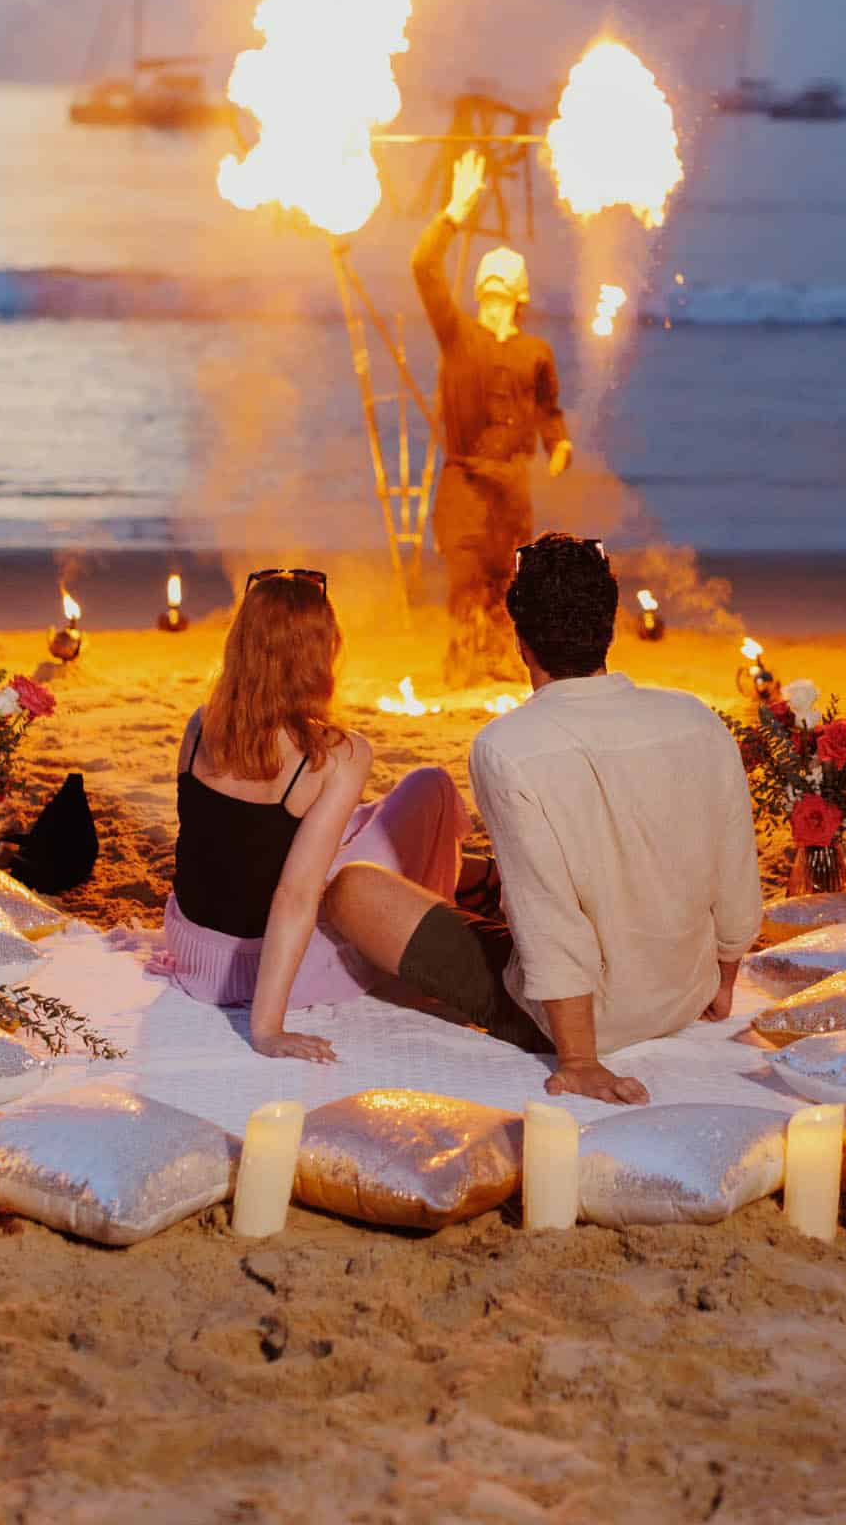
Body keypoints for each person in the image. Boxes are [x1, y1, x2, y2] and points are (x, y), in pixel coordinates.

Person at [324, 533, 763, 1104]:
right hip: (686, 991)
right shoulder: (695, 718)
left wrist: (580, 1060)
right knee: (489, 872)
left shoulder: (507, 745)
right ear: (610, 625)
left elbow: (547, 917)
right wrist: (720, 986)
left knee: (353, 891)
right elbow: (737, 874)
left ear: (520, 641)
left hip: (587, 1020)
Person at [149, 568, 467, 1060]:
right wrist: (267, 1029)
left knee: (347, 822)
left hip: (192, 949)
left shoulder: (201, 721)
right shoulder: (338, 753)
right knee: (431, 787)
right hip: (263, 970)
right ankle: (423, 940)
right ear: (321, 651)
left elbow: (217, 844)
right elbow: (294, 896)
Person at [412, 148, 571, 685]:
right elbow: (423, 268)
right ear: (480, 289)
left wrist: (560, 445)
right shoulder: (458, 337)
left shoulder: (535, 351)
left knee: (509, 577)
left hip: (512, 484)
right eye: (490, 284)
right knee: (463, 572)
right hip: (464, 480)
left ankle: (502, 659)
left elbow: (548, 406)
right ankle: (463, 657)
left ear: (519, 294)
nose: (496, 293)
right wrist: (455, 212)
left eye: (505, 285)